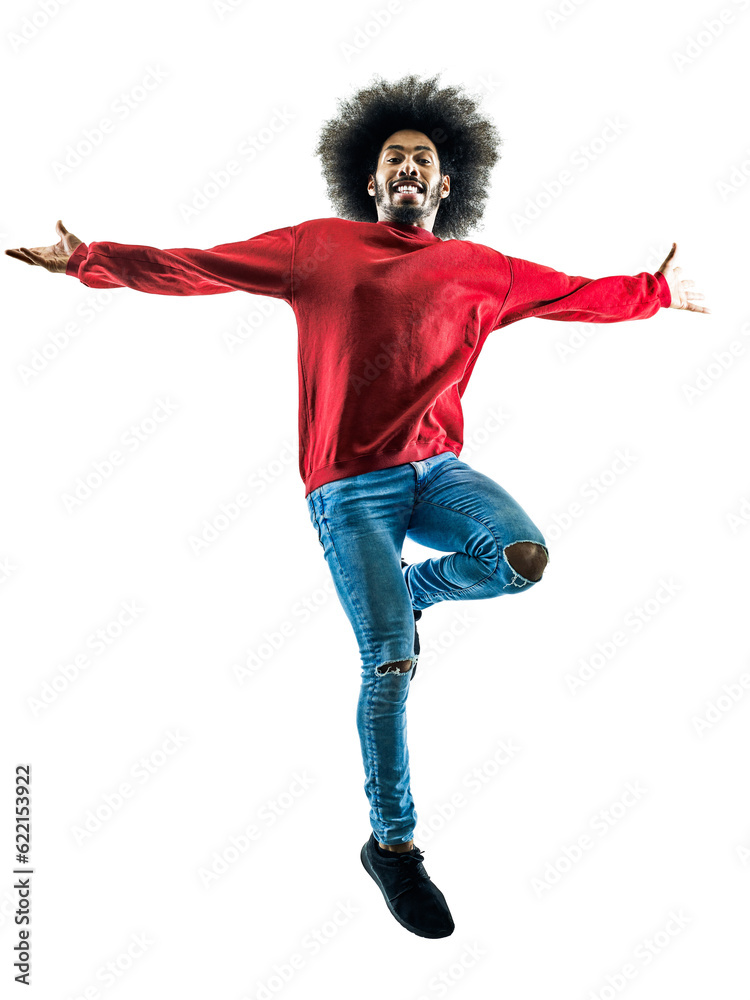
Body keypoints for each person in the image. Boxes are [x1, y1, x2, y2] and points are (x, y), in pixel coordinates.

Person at [6, 72, 708, 939]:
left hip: (437, 473)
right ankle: (394, 845)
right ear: (372, 182)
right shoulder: (319, 248)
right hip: (348, 489)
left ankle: (414, 593)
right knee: (389, 666)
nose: (409, 165)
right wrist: (90, 260)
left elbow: (576, 294)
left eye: (424, 159)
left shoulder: (483, 270)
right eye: (394, 158)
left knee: (521, 558)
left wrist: (656, 292)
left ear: (445, 186)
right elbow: (201, 267)